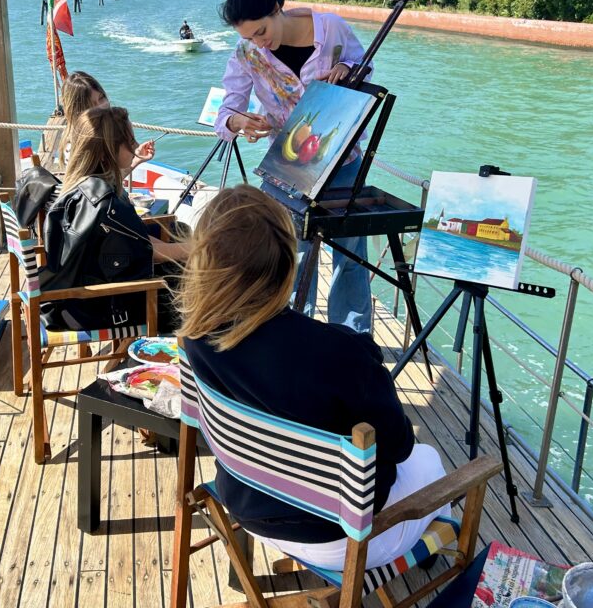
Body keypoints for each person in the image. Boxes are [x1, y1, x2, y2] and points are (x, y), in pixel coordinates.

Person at [177, 185, 449, 571]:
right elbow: (400, 447)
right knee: (428, 459)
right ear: (287, 263)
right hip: (339, 540)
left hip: (244, 506)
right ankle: (430, 556)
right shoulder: (341, 352)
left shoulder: (195, 336)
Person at [214, 0, 372, 333]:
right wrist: (238, 121)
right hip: (287, 166)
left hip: (343, 158)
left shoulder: (330, 28)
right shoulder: (248, 53)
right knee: (290, 254)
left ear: (276, 8)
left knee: (350, 257)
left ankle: (352, 340)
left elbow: (363, 65)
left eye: (262, 31)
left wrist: (348, 70)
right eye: (250, 38)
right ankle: (296, 335)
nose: (260, 42)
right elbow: (228, 108)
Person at [41, 105, 188, 332]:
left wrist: (186, 249)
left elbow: (141, 242)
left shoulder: (80, 186)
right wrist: (197, 248)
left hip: (72, 302)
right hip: (98, 309)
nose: (135, 147)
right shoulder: (107, 203)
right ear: (108, 150)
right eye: (130, 142)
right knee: (195, 288)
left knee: (183, 253)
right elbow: (150, 253)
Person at [60, 71, 155, 169]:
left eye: (101, 98)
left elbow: (107, 176)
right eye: (90, 104)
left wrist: (137, 158)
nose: (100, 106)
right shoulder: (82, 146)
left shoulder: (99, 134)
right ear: (77, 111)